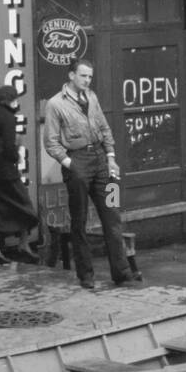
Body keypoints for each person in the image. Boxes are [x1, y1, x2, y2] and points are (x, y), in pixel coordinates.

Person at [44, 59, 135, 290]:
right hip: (77, 162)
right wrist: (69, 164)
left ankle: (122, 274)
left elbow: (104, 128)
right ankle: (86, 276)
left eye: (90, 77)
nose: (87, 80)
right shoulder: (56, 104)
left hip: (103, 163)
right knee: (80, 220)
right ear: (71, 75)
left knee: (112, 214)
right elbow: (51, 143)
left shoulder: (92, 97)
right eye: (83, 76)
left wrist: (111, 158)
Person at [0, 85, 41, 264]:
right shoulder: (8, 118)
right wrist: (17, 150)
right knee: (24, 205)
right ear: (12, 100)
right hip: (4, 173)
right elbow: (8, 148)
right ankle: (23, 245)